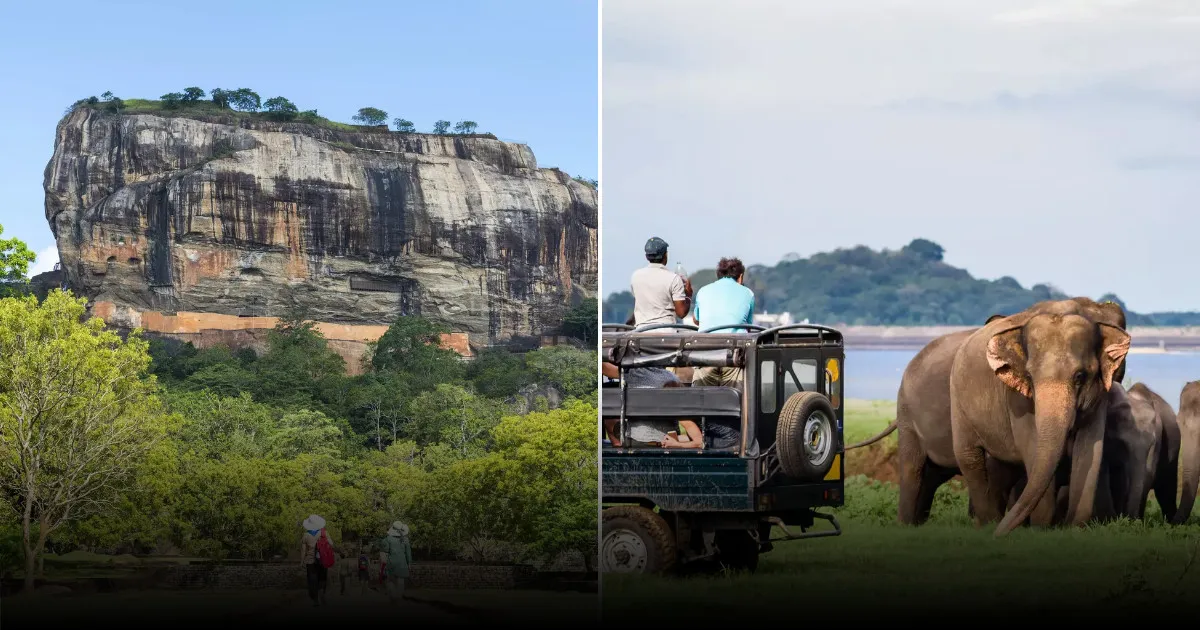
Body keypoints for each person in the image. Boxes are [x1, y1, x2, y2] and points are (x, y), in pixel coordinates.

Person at [691, 257, 755, 387]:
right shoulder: (748, 293)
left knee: (701, 397)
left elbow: (696, 320)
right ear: (740, 277)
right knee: (735, 397)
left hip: (705, 352)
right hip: (734, 355)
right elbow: (747, 326)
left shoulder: (703, 291)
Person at [630, 237, 692, 327]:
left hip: (641, 330)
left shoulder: (635, 276)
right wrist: (688, 296)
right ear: (665, 255)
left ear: (646, 256)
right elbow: (681, 313)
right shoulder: (674, 278)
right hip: (666, 331)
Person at [300, 514, 333, 606]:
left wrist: (302, 562)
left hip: (310, 561)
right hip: (322, 560)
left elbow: (303, 551)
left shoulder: (306, 535)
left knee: (312, 580)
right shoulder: (324, 533)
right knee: (322, 578)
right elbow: (331, 544)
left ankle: (315, 599)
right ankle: (322, 593)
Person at [377, 521, 413, 605]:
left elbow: (384, 554)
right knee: (401, 582)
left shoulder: (387, 539)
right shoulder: (405, 540)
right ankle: (398, 598)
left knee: (390, 581)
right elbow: (408, 553)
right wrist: (409, 564)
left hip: (391, 563)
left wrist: (382, 566)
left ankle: (393, 597)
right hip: (402, 564)